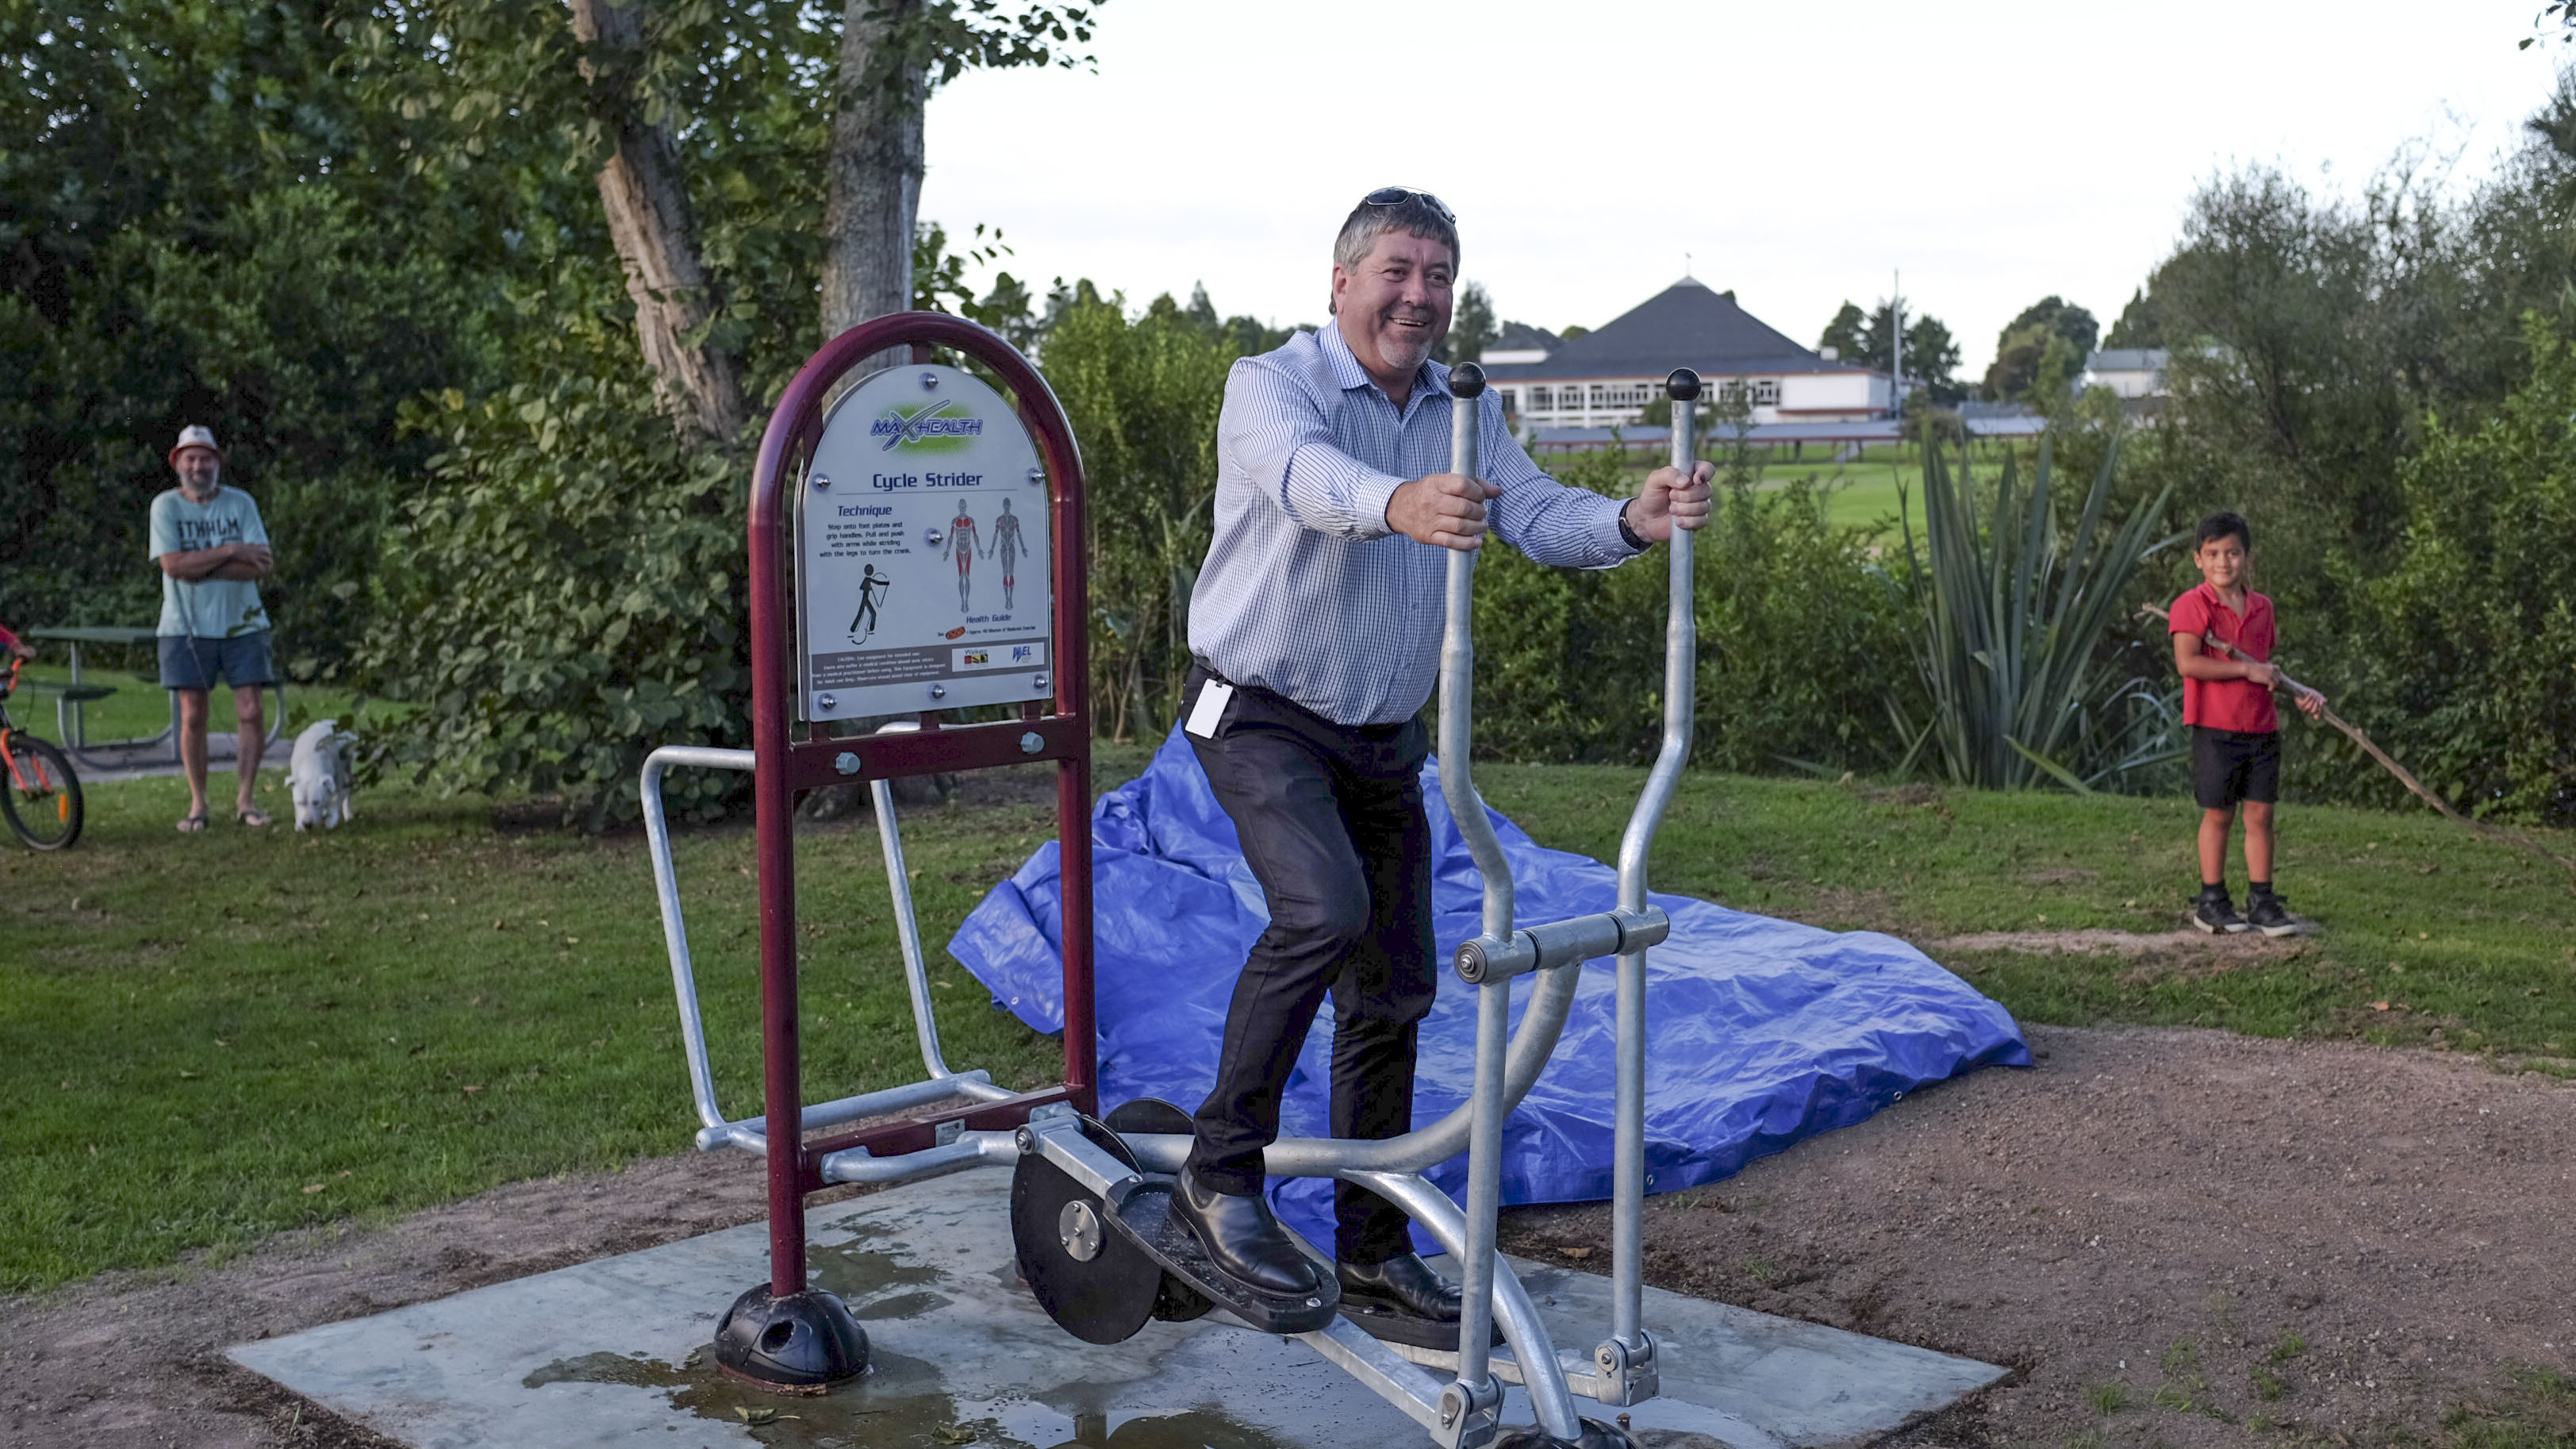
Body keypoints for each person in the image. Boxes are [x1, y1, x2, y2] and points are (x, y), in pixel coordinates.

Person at [1171, 186, 1712, 1330]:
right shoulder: (1270, 385)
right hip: (1259, 713)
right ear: (1341, 281)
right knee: (1321, 910)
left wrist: (1631, 520)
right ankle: (1217, 1176)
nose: (1418, 297)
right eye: (1397, 272)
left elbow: (1533, 512)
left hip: (1379, 735)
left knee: (1396, 983)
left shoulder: (1460, 407)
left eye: (1437, 277)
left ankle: (1369, 1246)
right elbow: (1306, 480)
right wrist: (1397, 502)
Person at [2167, 511, 2325, 936]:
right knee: (2219, 814)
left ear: (2247, 558)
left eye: (2233, 553)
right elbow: (2188, 663)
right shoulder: (2192, 605)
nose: (2224, 562)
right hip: (2216, 728)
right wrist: (2245, 670)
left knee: (2261, 814)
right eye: (2213, 553)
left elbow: (2265, 671)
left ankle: (2262, 901)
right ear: (2198, 559)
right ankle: (2212, 901)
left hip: (2261, 727)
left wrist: (2301, 692)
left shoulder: (2262, 608)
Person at [148, 425, 278, 832]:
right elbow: (172, 565)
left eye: (205, 458)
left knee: (251, 711)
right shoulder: (165, 506)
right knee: (192, 716)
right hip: (184, 627)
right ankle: (198, 804)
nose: (198, 466)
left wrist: (199, 567)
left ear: (217, 462)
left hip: (244, 623)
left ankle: (246, 800)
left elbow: (261, 564)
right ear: (177, 463)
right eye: (190, 458)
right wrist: (232, 550)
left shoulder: (241, 503)